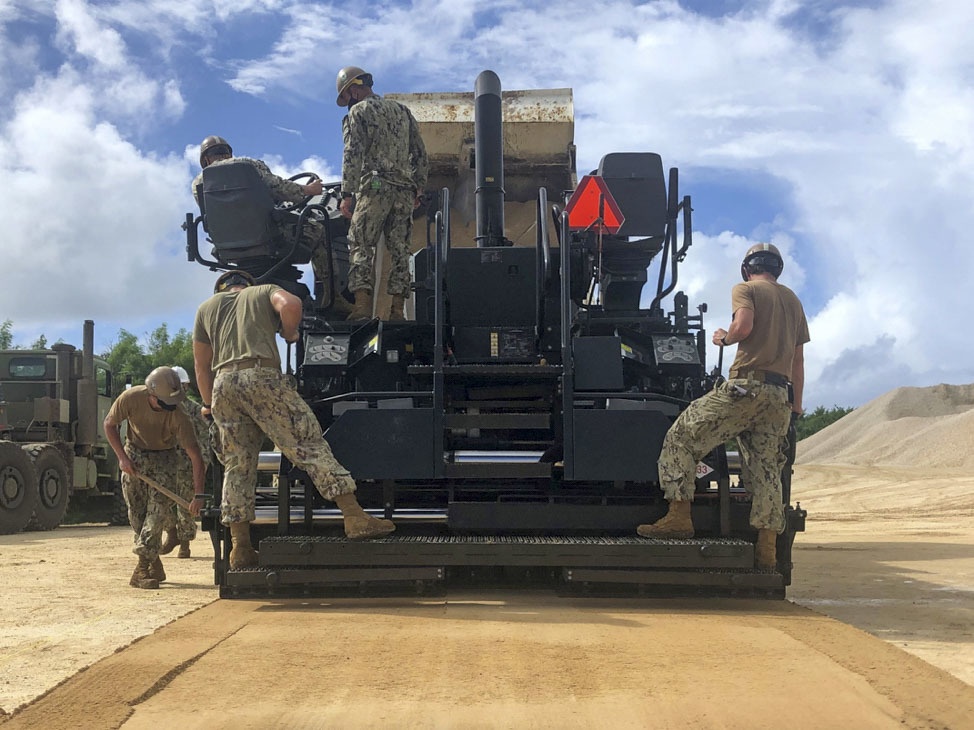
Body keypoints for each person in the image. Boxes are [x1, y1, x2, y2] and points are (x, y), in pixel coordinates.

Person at [193, 270, 395, 570]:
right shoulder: (262, 292)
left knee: (237, 465)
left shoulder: (206, 308)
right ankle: (353, 516)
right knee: (307, 443)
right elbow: (291, 305)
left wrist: (208, 404)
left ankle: (241, 548)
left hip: (224, 385)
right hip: (260, 376)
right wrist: (289, 333)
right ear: (247, 286)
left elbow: (201, 363)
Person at [636, 243, 809, 571]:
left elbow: (742, 327)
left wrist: (724, 338)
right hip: (778, 396)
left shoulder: (746, 288)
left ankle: (679, 518)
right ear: (778, 269)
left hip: (747, 387)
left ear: (747, 268)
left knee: (682, 436)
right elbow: (798, 361)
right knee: (767, 468)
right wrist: (795, 407)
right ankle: (767, 551)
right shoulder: (793, 300)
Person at [192, 135, 350, 314]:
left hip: (228, 249)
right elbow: (278, 188)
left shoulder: (198, 184)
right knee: (319, 230)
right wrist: (309, 190)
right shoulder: (247, 166)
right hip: (270, 239)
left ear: (205, 159)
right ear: (229, 153)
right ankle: (333, 297)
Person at [335, 66, 429, 321]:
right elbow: (420, 153)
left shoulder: (359, 111)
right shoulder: (402, 111)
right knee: (400, 250)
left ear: (354, 89)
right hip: (403, 191)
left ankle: (362, 308)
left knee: (361, 242)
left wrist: (347, 193)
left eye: (347, 96)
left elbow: (352, 153)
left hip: (375, 187)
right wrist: (417, 187)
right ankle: (397, 311)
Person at [105, 367, 206, 589]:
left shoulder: (179, 416)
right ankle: (154, 561)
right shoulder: (130, 399)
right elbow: (110, 425)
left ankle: (140, 570)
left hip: (165, 460)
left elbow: (196, 457)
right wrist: (122, 458)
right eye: (165, 403)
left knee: (157, 514)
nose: (170, 408)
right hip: (134, 455)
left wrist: (198, 494)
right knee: (137, 515)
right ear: (151, 395)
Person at [159, 366, 213, 559]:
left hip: (190, 462)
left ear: (186, 386)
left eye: (180, 385)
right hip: (168, 460)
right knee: (161, 498)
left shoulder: (196, 410)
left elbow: (207, 436)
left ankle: (184, 542)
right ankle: (171, 533)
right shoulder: (163, 407)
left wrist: (203, 461)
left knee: (187, 503)